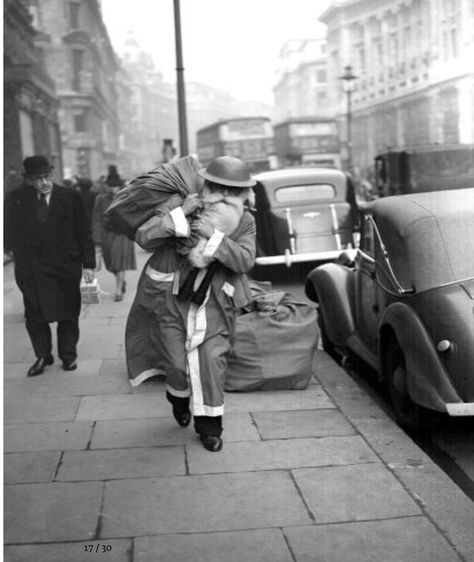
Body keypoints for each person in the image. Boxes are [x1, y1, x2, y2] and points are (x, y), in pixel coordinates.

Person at [125, 156, 257, 452]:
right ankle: (179, 399)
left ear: (243, 195)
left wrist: (216, 238)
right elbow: (144, 238)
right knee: (176, 363)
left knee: (211, 363)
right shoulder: (180, 204)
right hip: (172, 301)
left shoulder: (246, 222)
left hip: (216, 306)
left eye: (234, 191)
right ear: (207, 185)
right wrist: (179, 215)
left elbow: (245, 260)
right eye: (219, 187)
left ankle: (210, 428)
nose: (225, 196)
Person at [4, 155, 96, 376]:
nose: (44, 183)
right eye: (38, 179)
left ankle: (68, 355)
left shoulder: (70, 196)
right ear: (28, 180)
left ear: (52, 174)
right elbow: (8, 229)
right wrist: (10, 251)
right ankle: (42, 356)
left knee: (68, 312)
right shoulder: (16, 198)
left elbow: (84, 231)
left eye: (47, 177)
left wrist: (89, 264)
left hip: (65, 265)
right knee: (34, 315)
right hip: (32, 268)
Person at [92, 166, 136, 301]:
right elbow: (97, 219)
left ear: (120, 186)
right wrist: (97, 241)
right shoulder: (100, 199)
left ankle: (118, 292)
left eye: (115, 186)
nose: (113, 189)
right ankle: (120, 281)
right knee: (110, 264)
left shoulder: (127, 197)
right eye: (111, 186)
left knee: (120, 262)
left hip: (123, 235)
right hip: (107, 235)